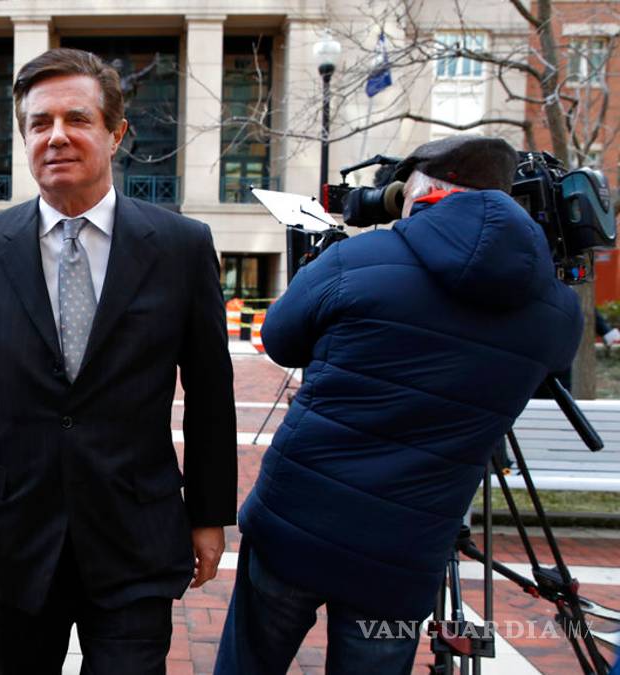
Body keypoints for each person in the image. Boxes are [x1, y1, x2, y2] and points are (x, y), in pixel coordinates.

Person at [0, 47, 238, 674]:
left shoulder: (181, 246)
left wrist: (209, 515)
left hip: (135, 538)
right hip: (9, 544)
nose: (56, 136)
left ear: (116, 133)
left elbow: (210, 394)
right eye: (39, 123)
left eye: (77, 119)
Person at [215, 135, 582, 674]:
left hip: (296, 523)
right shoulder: (558, 309)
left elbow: (280, 340)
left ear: (427, 193)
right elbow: (543, 376)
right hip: (406, 556)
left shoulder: (356, 258)